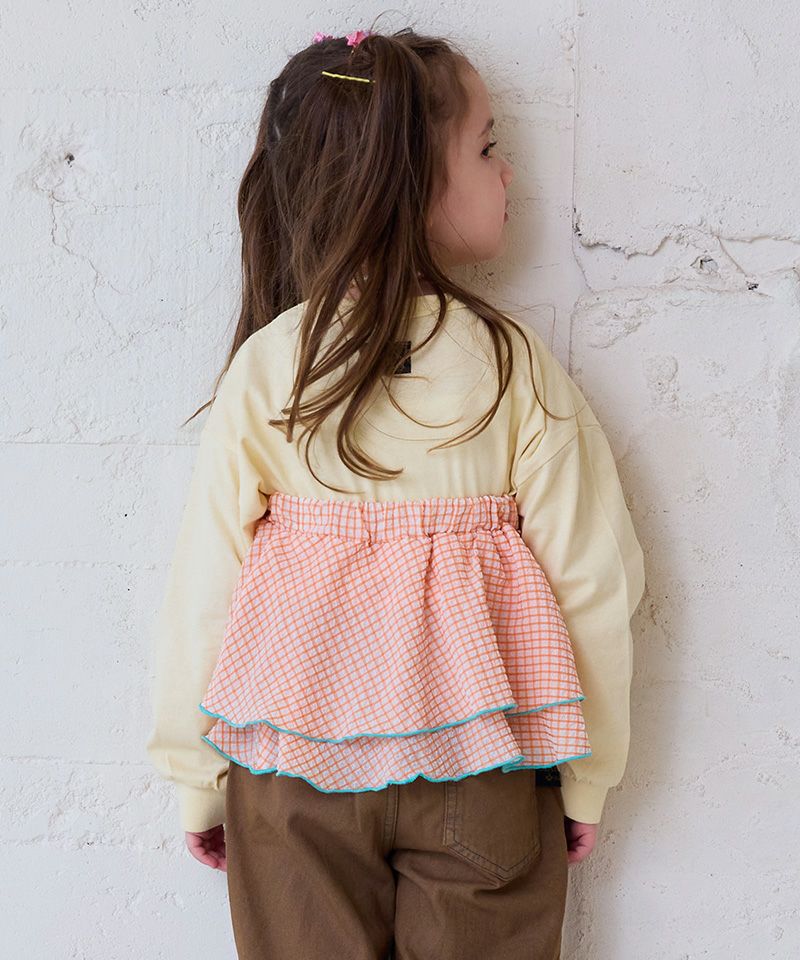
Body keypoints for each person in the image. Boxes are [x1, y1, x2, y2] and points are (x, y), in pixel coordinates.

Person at [145, 22, 646, 960]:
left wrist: (196, 777)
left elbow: (205, 590)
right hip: (479, 764)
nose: (509, 173)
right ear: (409, 182)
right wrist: (587, 774)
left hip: (290, 770)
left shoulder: (273, 366)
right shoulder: (511, 367)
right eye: (488, 148)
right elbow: (594, 580)